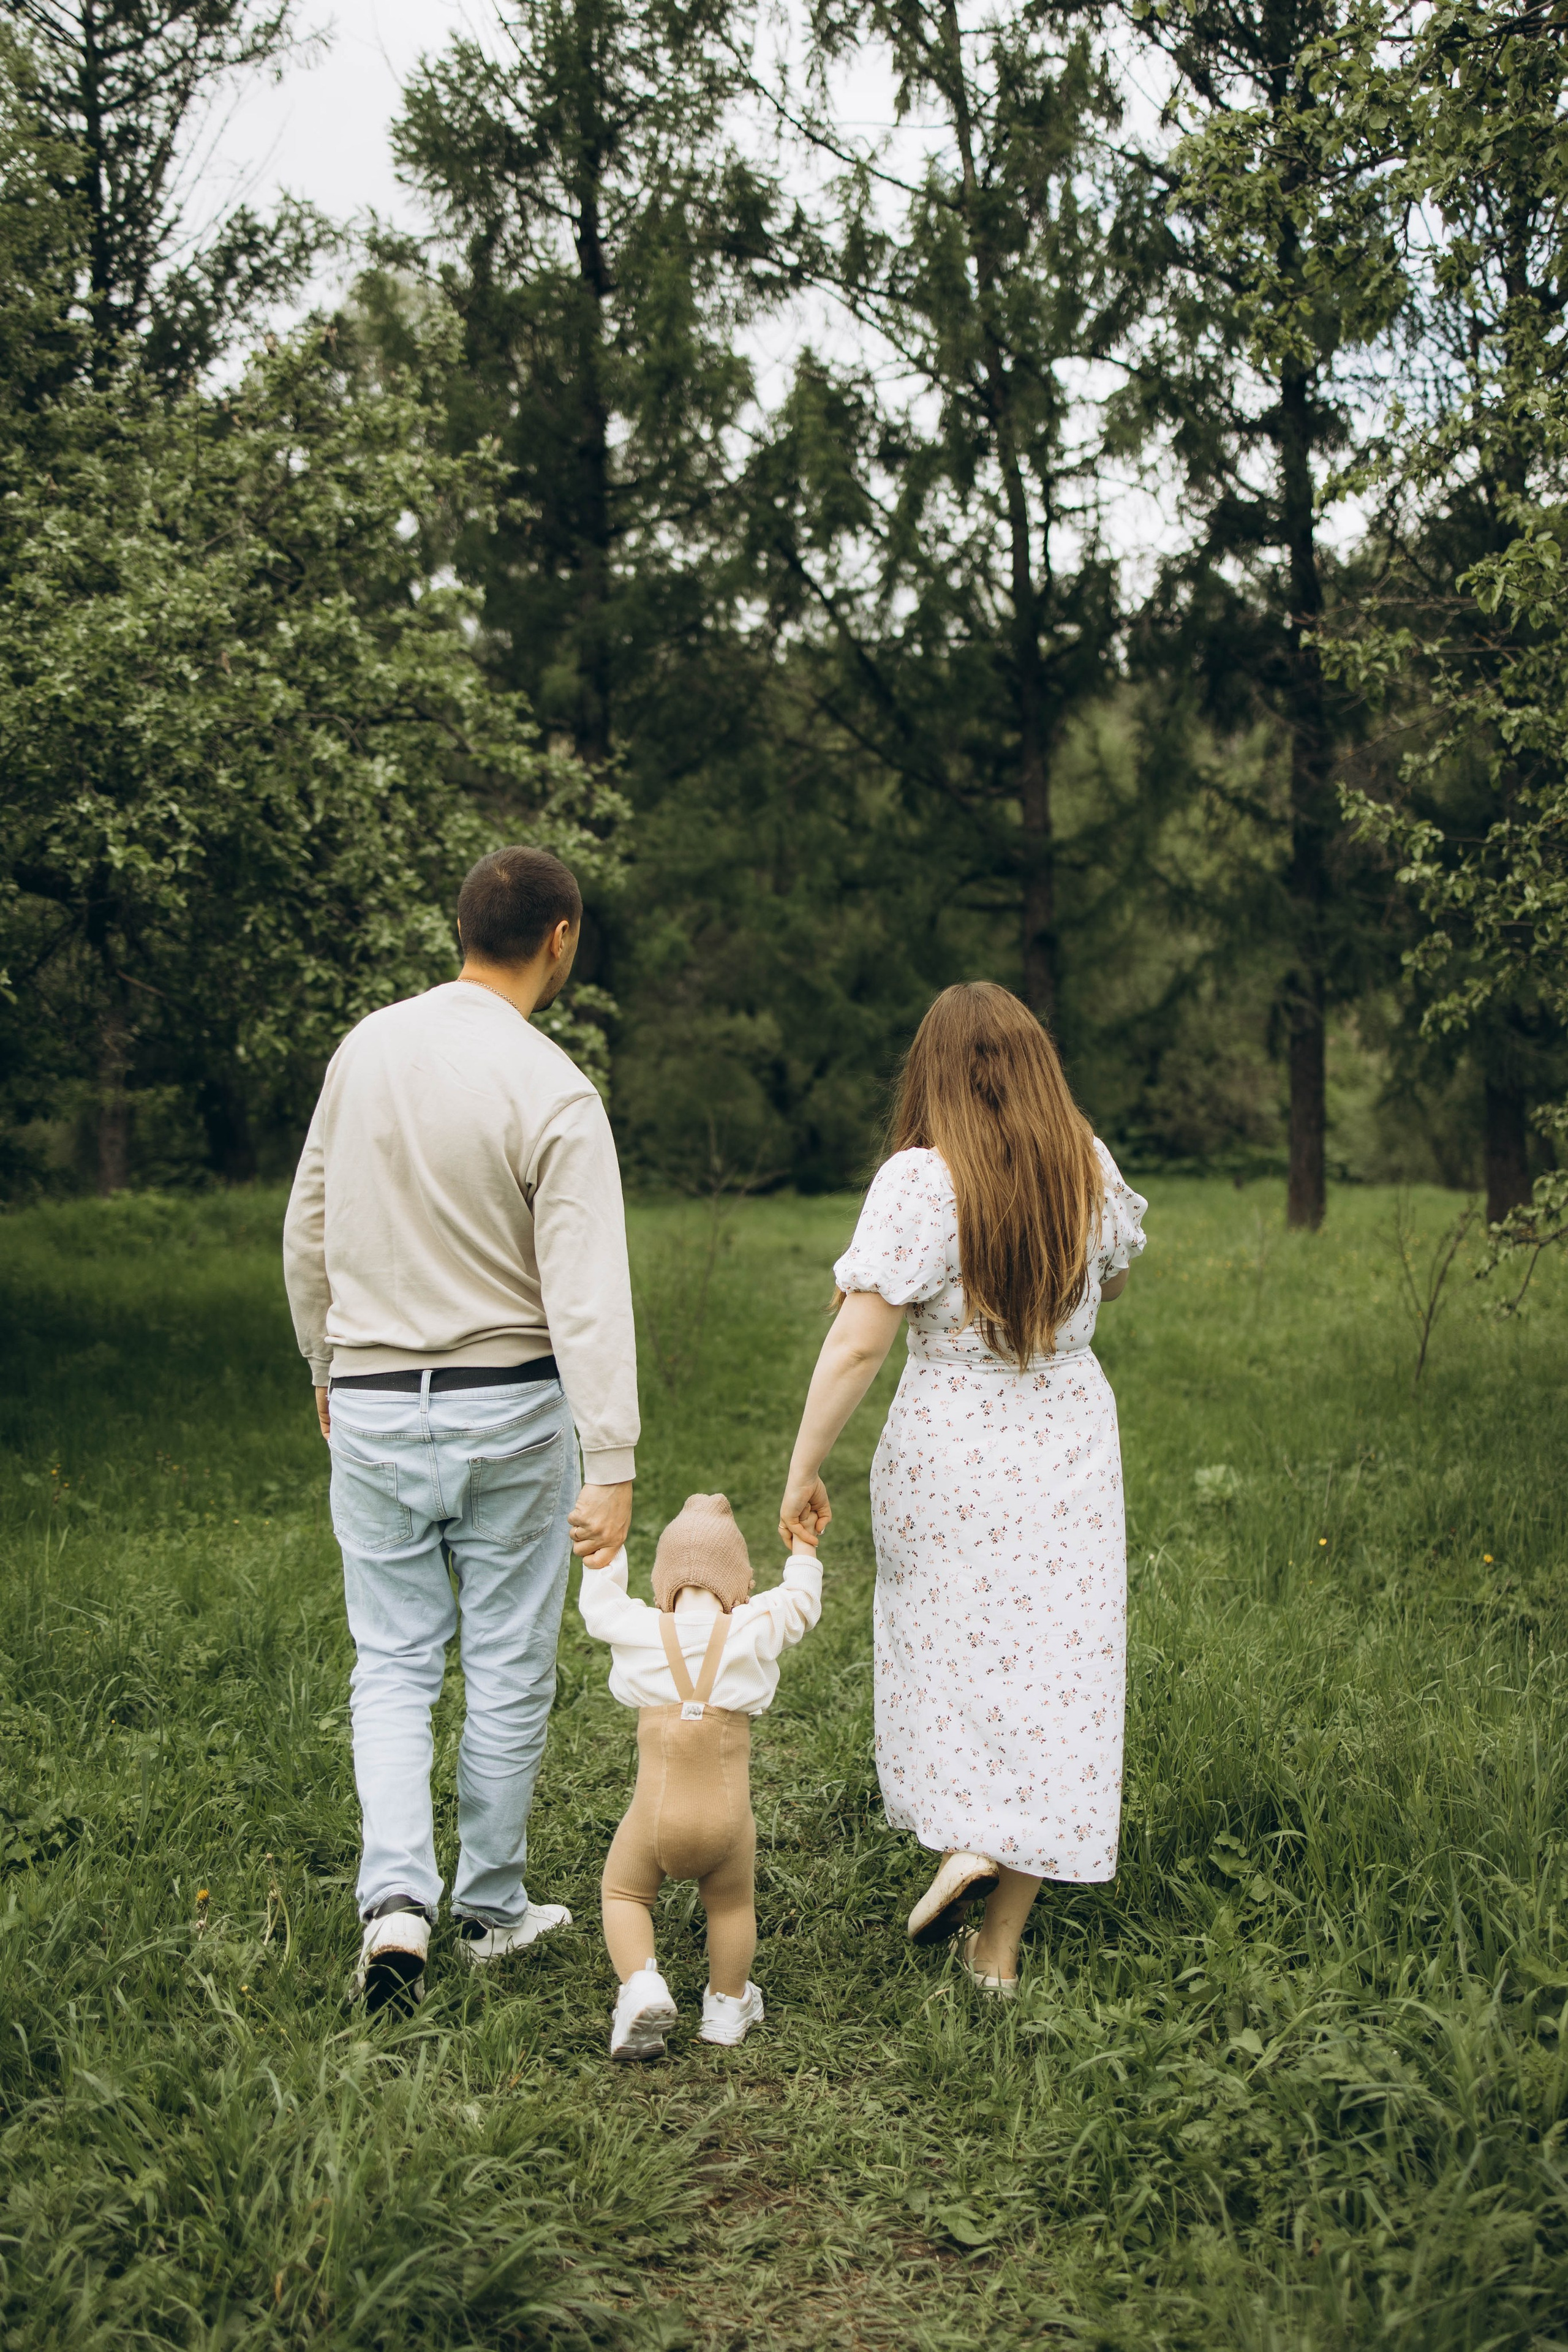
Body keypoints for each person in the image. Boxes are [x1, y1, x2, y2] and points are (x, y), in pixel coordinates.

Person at [282, 845, 638, 2012]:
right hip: (511, 1407)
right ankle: (490, 1906)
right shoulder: (554, 1090)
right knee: (506, 1661)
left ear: (459, 930)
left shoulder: (364, 1050)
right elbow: (585, 1294)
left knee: (388, 1662)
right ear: (562, 939)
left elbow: (310, 1223)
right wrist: (615, 1459)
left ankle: (395, 1907)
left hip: (376, 1402)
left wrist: (323, 1360)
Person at [777, 982, 1147, 1997]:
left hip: (954, 1446)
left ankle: (968, 1839)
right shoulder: (1088, 1166)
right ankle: (999, 1950)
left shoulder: (919, 1183)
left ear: (932, 1071)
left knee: (947, 1650)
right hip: (1069, 1439)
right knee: (1061, 1676)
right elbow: (1112, 1283)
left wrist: (803, 1466)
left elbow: (858, 1342)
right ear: (1037, 1066)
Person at [578, 1494, 821, 2060]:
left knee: (622, 1891)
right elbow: (801, 1602)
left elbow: (600, 1607)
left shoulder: (639, 1628)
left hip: (654, 1818)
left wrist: (606, 1554)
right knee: (732, 1905)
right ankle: (727, 2006)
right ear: (738, 1587)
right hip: (728, 1820)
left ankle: (641, 1985)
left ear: (664, 1584)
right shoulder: (754, 1625)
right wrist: (804, 1547)